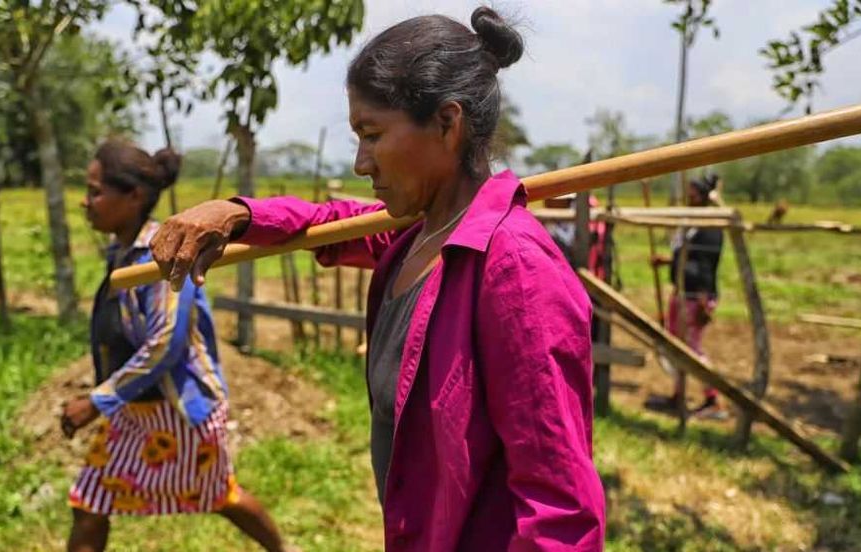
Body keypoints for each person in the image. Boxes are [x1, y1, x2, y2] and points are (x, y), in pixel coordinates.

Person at [150, 8, 605, 551]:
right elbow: (327, 224)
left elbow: (561, 510)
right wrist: (239, 214)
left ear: (447, 123)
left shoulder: (516, 271)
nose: (361, 163)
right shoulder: (417, 237)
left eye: (372, 135)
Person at [62, 139, 287, 552]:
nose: (85, 201)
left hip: (178, 409)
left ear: (133, 196)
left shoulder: (161, 254)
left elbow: (165, 343)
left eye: (95, 191)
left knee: (221, 495)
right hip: (138, 408)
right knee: (90, 503)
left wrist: (97, 401)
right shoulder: (123, 251)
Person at [648, 174, 725, 419]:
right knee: (677, 346)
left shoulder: (710, 227)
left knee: (691, 348)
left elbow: (704, 264)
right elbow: (687, 258)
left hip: (695, 296)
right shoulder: (693, 224)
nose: (689, 197)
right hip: (682, 292)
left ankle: (713, 398)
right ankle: (678, 394)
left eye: (693, 193)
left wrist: (702, 300)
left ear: (702, 197)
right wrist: (667, 261)